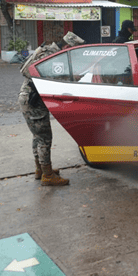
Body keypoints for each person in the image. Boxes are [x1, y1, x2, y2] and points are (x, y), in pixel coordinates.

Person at [18, 31, 85, 186]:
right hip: (33, 100)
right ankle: (47, 175)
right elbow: (47, 76)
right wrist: (72, 78)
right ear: (67, 46)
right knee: (44, 137)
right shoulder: (52, 57)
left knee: (38, 136)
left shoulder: (48, 51)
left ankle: (40, 169)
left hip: (29, 99)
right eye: (72, 51)